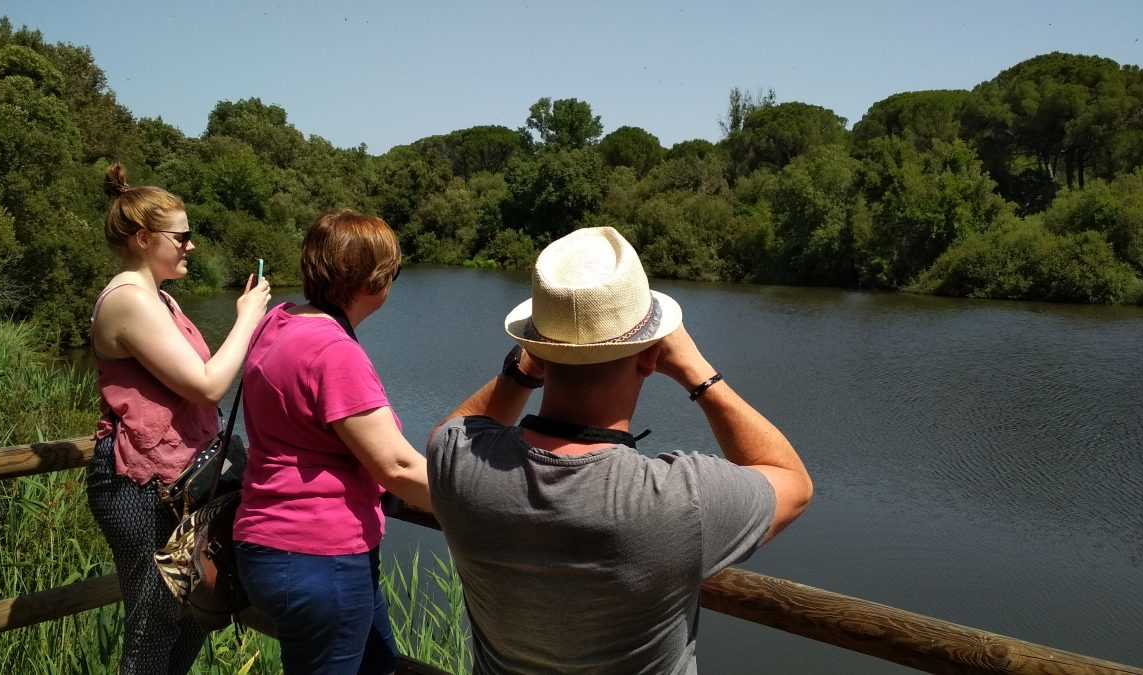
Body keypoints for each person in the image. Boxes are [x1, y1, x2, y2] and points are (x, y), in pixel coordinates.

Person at [427, 226, 814, 674]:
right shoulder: (679, 501)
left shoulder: (457, 463)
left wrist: (520, 372)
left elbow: (457, 428)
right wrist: (699, 375)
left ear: (536, 350)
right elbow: (794, 482)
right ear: (651, 356)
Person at [86, 163, 271, 674]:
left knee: (195, 610)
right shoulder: (129, 300)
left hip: (177, 479)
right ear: (144, 238)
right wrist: (248, 318)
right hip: (137, 484)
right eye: (181, 236)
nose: (190, 246)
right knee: (153, 623)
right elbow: (208, 384)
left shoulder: (160, 299)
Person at [232, 211, 436, 674]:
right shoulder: (333, 351)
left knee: (379, 665)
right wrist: (477, 503)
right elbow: (397, 467)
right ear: (376, 281)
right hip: (319, 558)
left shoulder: (278, 322)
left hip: (269, 546)